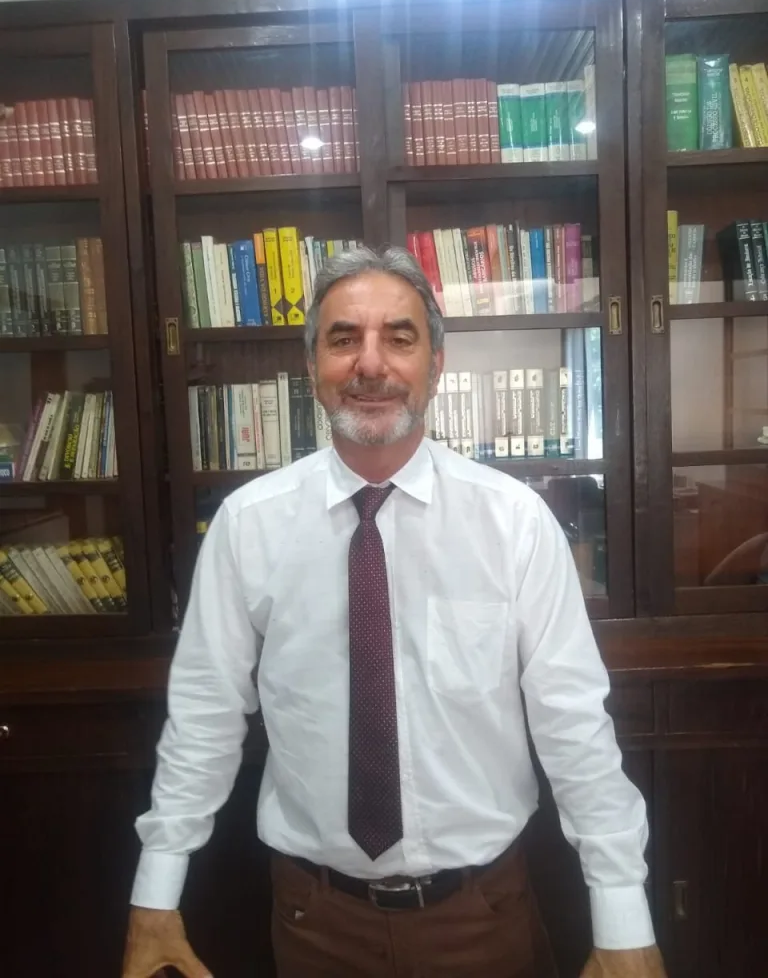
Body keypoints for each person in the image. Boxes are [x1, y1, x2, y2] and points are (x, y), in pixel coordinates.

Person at [122, 247, 666, 978]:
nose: (370, 364)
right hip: (314, 920)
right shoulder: (249, 525)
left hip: (481, 917)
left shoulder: (513, 522)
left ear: (436, 364)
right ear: (311, 366)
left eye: (399, 338)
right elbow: (204, 716)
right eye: (343, 338)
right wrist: (155, 895)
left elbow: (573, 722)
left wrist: (623, 916)